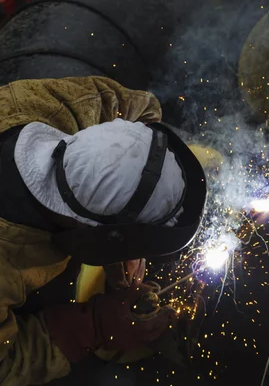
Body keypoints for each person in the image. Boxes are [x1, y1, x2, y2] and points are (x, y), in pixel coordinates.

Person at [0, 76, 207, 385]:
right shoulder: (6, 267)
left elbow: (144, 109)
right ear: (95, 231)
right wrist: (94, 326)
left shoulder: (59, 105)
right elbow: (5, 364)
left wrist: (122, 245)